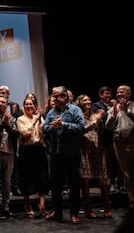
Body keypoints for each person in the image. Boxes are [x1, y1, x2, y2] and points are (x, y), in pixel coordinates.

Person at [43, 85, 85, 224]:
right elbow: (45, 128)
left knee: (74, 184)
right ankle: (57, 211)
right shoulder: (51, 112)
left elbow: (80, 127)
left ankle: (74, 213)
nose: (53, 98)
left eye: (56, 96)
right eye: (53, 96)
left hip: (72, 153)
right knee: (55, 184)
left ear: (65, 97)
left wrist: (64, 125)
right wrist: (53, 126)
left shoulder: (75, 110)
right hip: (55, 153)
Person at [75, 94, 112, 218]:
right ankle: (88, 209)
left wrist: (100, 120)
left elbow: (101, 131)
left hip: (97, 148)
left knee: (103, 178)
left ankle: (107, 207)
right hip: (84, 149)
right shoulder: (78, 116)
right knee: (85, 179)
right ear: (79, 102)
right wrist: (94, 121)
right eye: (85, 100)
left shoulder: (95, 115)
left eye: (89, 99)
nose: (88, 101)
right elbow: (80, 130)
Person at [17, 96, 49, 218]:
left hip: (39, 149)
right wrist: (35, 120)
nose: (29, 106)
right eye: (27, 104)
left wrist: (40, 121)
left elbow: (44, 133)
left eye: (31, 104)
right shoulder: (21, 119)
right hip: (27, 150)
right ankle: (28, 205)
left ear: (35, 106)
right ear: (23, 106)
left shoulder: (40, 118)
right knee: (26, 178)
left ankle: (42, 205)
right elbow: (24, 133)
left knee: (42, 177)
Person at [105, 85, 134, 209]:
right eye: (117, 92)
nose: (119, 94)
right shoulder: (113, 108)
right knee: (127, 174)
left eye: (121, 92)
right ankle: (132, 201)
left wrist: (127, 110)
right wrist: (114, 114)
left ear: (128, 94)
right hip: (119, 144)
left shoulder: (133, 106)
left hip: (133, 142)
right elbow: (108, 127)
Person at [92, 86, 124, 193]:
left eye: (110, 94)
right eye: (106, 94)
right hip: (105, 138)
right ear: (101, 95)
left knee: (119, 162)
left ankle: (120, 183)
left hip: (117, 137)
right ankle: (112, 184)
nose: (109, 96)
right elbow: (102, 119)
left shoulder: (117, 105)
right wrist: (112, 109)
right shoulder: (96, 105)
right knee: (109, 162)